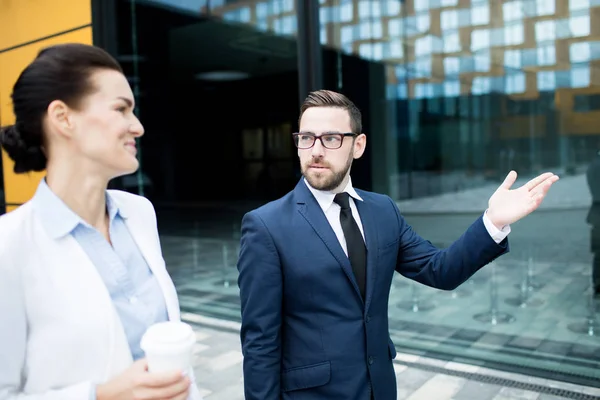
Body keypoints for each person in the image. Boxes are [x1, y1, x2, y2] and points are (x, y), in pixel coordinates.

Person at [236, 89, 559, 400]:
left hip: (380, 387)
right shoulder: (266, 226)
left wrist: (494, 221)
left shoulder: (382, 210)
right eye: (306, 138)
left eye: (331, 138)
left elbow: (440, 270)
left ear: (358, 145)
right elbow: (260, 343)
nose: (316, 150)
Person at [0, 43, 202, 400]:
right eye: (121, 109)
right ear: (63, 118)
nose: (137, 127)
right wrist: (102, 395)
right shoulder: (9, 246)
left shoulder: (139, 213)